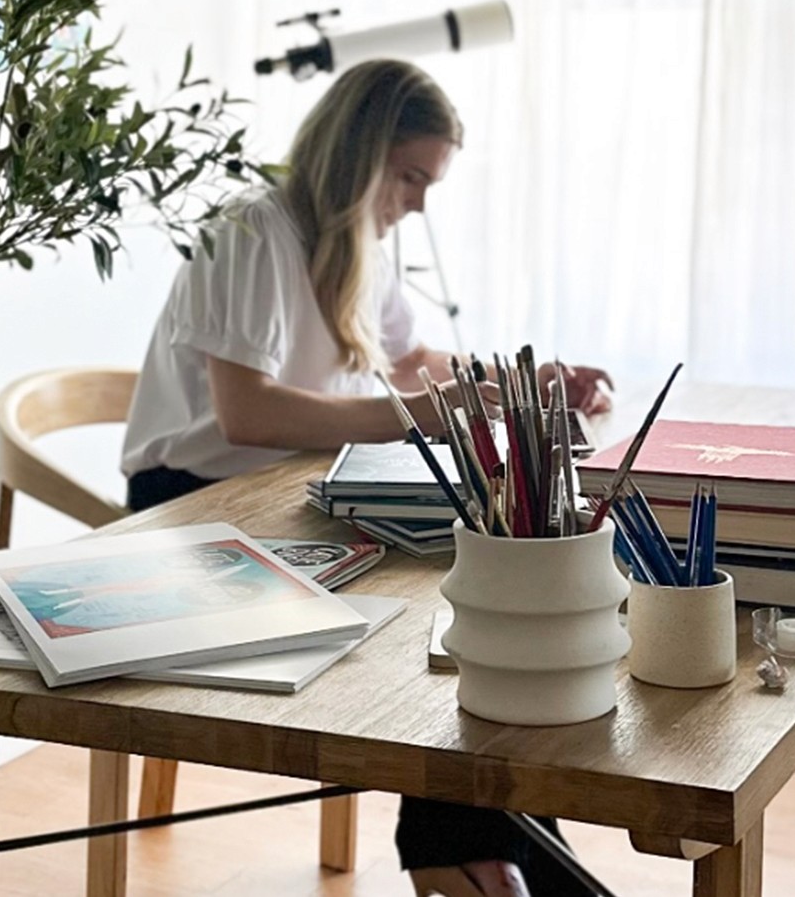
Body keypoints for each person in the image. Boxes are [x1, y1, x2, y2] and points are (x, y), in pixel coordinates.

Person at [121, 58, 613, 897]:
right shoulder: (249, 229)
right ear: (360, 154)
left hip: (298, 488)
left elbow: (410, 361)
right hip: (196, 506)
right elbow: (249, 415)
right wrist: (424, 412)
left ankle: (485, 856)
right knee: (448, 625)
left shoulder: (359, 241)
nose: (418, 202)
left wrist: (516, 381)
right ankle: (475, 857)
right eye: (411, 176)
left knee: (478, 604)